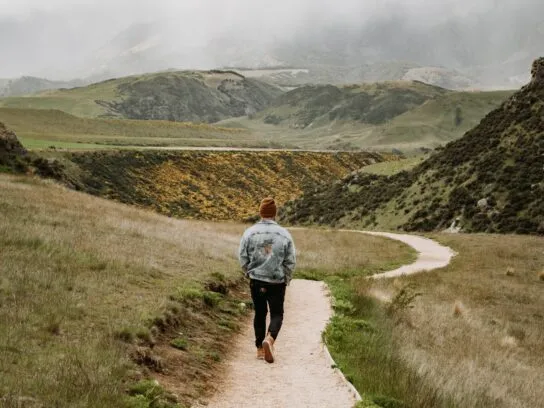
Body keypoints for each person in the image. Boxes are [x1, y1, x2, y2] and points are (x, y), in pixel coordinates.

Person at [238, 197, 296, 363]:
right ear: (275, 213)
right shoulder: (285, 234)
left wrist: (248, 272)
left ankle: (259, 350)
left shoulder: (249, 232)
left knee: (260, 313)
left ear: (261, 212)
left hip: (257, 279)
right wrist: (286, 277)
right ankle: (269, 339)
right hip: (277, 281)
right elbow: (291, 260)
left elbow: (242, 256)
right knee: (277, 313)